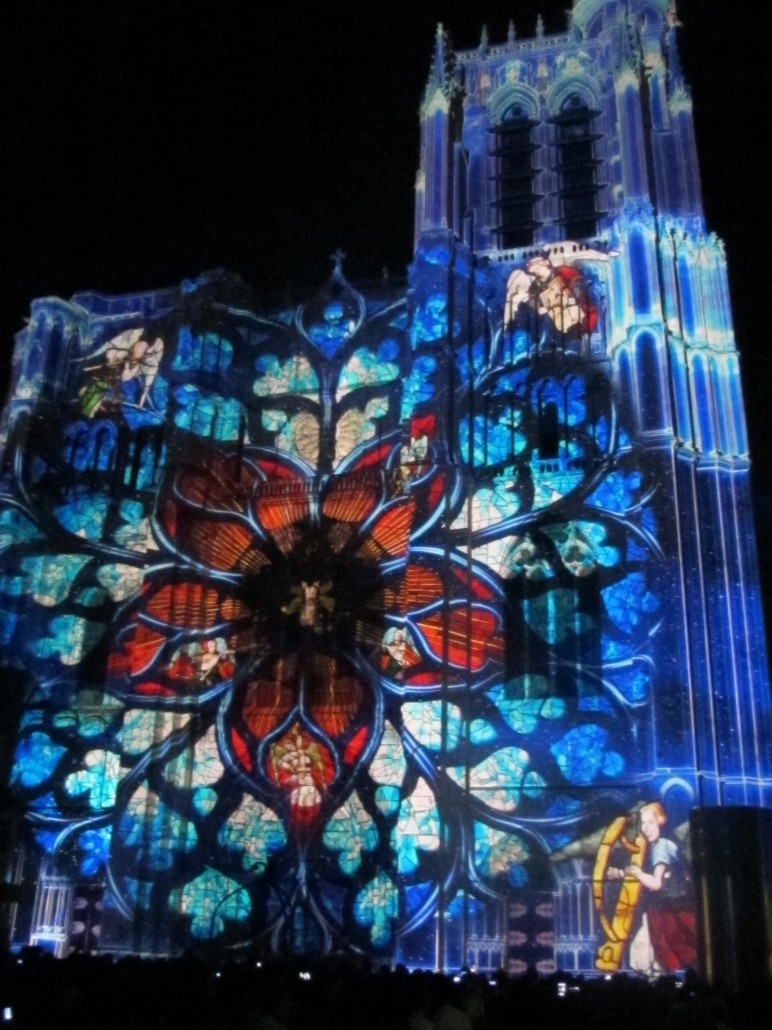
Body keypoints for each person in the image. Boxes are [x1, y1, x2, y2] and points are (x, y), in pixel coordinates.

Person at [608, 802, 696, 975]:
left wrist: (636, 873)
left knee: (647, 956)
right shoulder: (661, 845)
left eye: (650, 822)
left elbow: (656, 884)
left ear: (660, 821)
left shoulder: (661, 847)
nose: (645, 827)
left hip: (669, 913)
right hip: (662, 911)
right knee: (645, 955)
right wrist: (623, 873)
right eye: (643, 823)